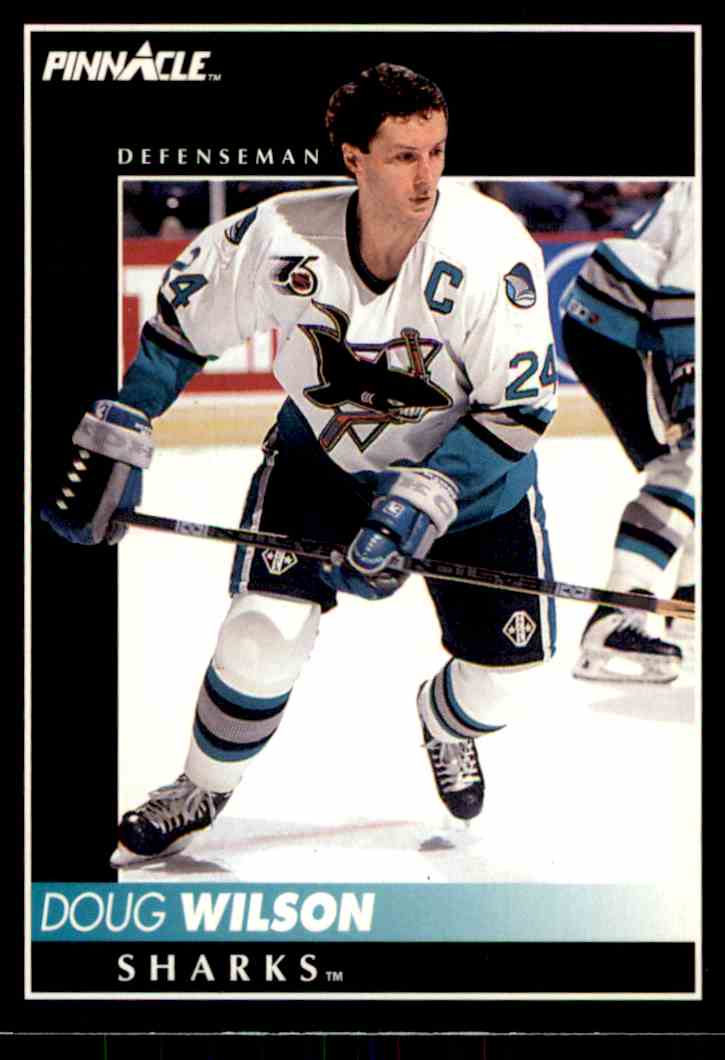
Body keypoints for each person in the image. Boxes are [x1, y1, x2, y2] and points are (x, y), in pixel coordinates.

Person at [41, 63, 559, 866]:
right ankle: (200, 786)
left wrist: (425, 493)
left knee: (503, 686)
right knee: (260, 634)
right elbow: (183, 326)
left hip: (474, 490)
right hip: (321, 461)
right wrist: (128, 419)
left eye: (436, 152)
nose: (426, 177)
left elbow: (517, 409)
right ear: (353, 157)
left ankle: (444, 722)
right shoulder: (281, 233)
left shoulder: (490, 249)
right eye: (402, 156)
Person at [560, 181, 696, 683]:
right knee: (689, 465)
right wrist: (690, 384)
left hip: (625, 325)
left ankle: (688, 605)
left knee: (687, 466)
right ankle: (618, 616)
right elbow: (684, 292)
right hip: (624, 328)